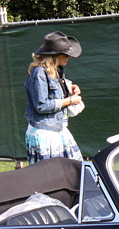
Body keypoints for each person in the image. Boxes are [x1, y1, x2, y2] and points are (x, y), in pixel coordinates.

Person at [24, 31, 84, 165]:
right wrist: (70, 101)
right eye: (66, 54)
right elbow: (42, 105)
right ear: (55, 56)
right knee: (48, 177)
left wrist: (71, 90)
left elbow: (55, 92)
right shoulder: (38, 72)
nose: (69, 57)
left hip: (59, 129)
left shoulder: (56, 70)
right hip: (44, 133)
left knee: (74, 170)